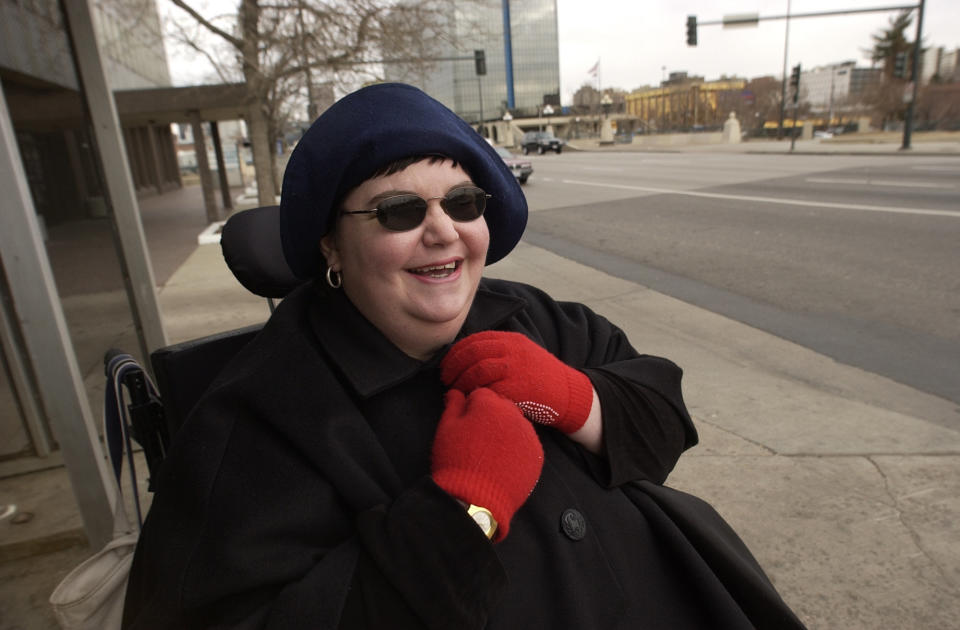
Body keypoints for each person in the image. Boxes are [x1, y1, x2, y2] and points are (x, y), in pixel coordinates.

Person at [122, 83, 803, 629]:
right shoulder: (261, 418)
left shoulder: (530, 313)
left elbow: (664, 414)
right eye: (397, 210)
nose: (444, 232)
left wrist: (578, 400)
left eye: (462, 201)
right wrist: (464, 512)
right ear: (331, 244)